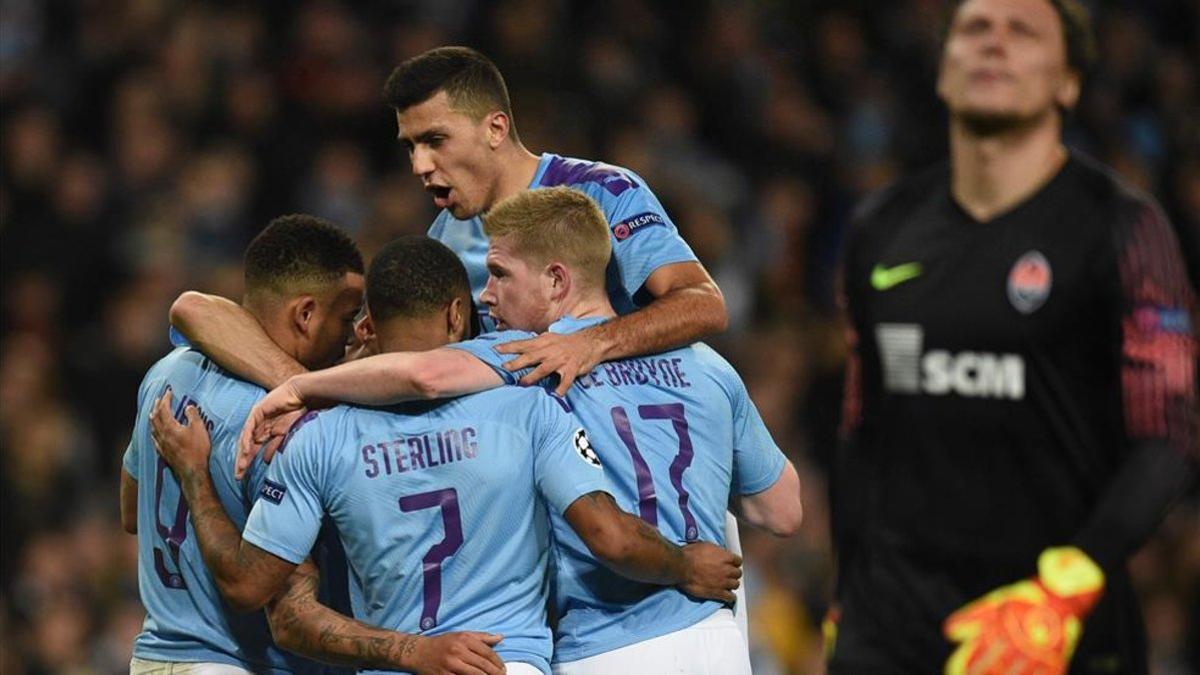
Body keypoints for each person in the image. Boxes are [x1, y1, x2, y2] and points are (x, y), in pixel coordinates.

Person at [238, 188, 803, 675]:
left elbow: (425, 371)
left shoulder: (529, 364)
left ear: (556, 281)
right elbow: (782, 511)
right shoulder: (707, 366)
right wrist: (695, 544)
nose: (488, 296)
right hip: (714, 639)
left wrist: (299, 388)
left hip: (598, 646)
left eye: (501, 275)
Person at [828, 0, 1198, 673]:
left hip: (1055, 630)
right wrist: (844, 594)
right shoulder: (879, 226)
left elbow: (1168, 436)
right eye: (974, 29)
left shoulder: (1125, 230)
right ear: (943, 71)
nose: (994, 43)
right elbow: (860, 430)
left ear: (1068, 82)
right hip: (889, 627)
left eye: (1022, 31)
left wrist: (1067, 588)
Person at [123, 215, 493, 674]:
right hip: (237, 662)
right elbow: (276, 603)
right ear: (305, 314)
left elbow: (129, 510)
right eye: (345, 317)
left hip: (155, 654)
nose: (351, 333)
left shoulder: (165, 373)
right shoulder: (280, 424)